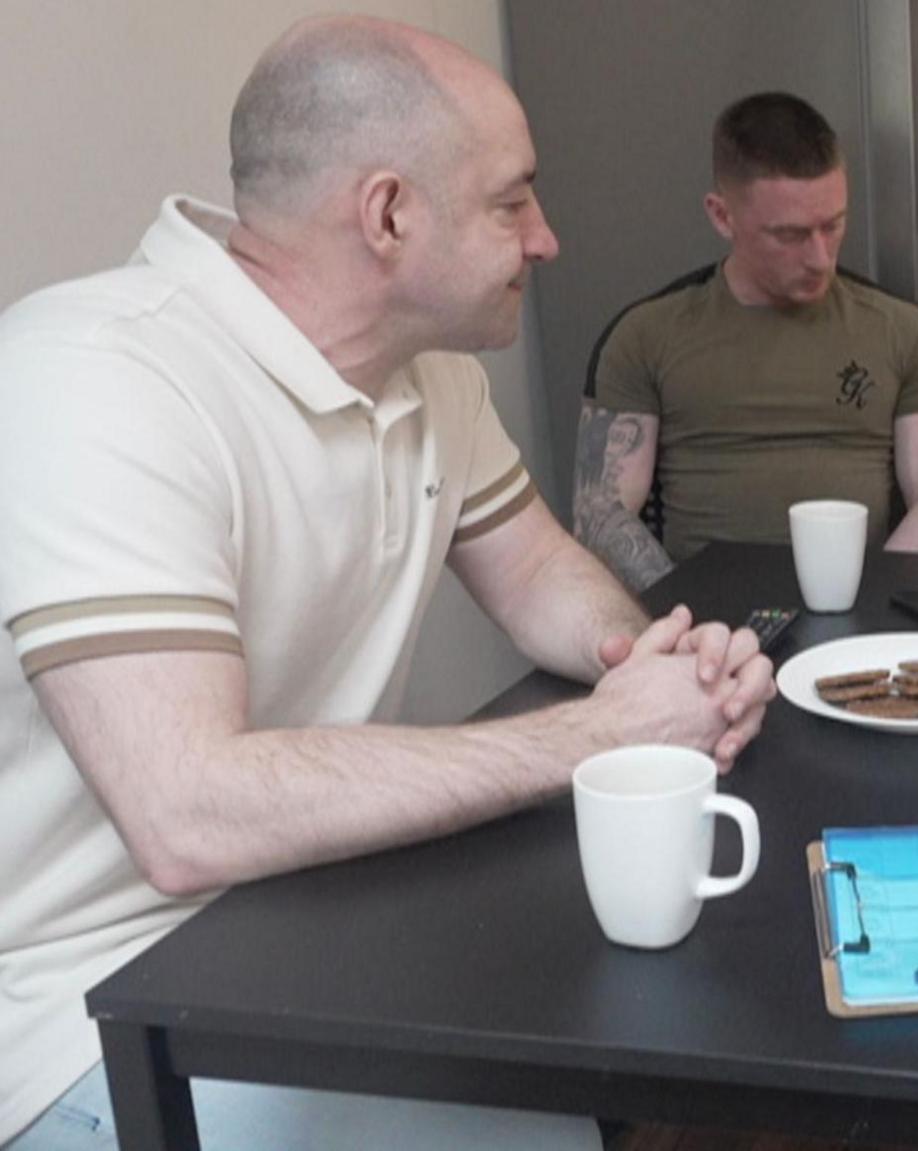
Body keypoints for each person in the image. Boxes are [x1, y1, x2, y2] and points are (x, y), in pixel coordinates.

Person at [0, 17, 776, 1151]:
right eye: (514, 200)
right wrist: (594, 737)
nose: (546, 236)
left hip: (315, 920)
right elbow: (186, 812)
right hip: (87, 1020)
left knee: (587, 1089)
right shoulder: (92, 377)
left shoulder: (430, 381)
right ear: (387, 214)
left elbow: (545, 578)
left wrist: (668, 659)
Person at [575, 92, 918, 590]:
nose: (821, 257)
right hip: (698, 618)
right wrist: (685, 617)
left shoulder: (906, 332)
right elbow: (599, 514)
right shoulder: (644, 336)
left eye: (833, 225)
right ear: (722, 216)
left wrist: (868, 603)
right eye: (791, 235)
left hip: (863, 603)